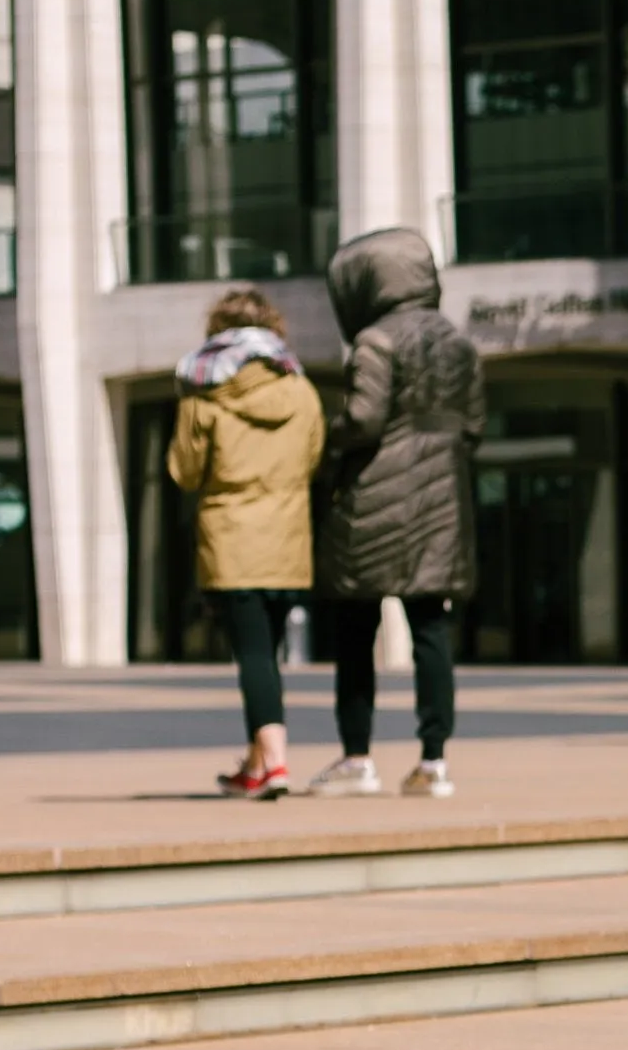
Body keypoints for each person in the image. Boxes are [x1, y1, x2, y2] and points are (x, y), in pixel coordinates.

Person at [305, 227, 480, 798]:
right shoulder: (459, 344)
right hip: (440, 505)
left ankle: (357, 758)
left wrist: (328, 439)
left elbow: (364, 419)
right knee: (431, 628)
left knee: (357, 631)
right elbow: (473, 426)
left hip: (374, 503)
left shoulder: (375, 343)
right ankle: (434, 760)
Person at [167, 284, 324, 797]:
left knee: (253, 654)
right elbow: (312, 459)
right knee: (267, 652)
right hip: (287, 536)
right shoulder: (301, 389)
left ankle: (274, 763)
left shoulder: (203, 391)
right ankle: (255, 767)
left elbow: (185, 472)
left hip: (231, 537)